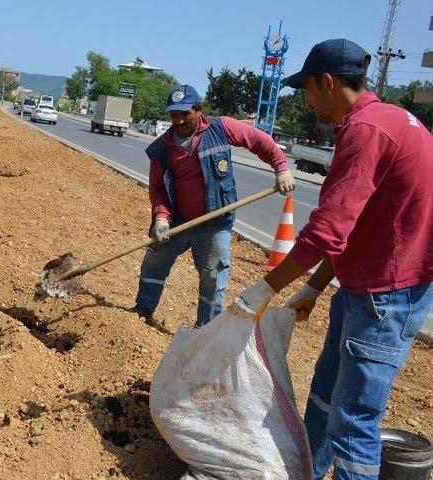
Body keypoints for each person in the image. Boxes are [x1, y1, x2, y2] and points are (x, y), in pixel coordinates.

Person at [233, 39, 433, 480]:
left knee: (354, 422)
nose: (304, 100)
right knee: (325, 396)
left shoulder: (367, 131)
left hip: (386, 296)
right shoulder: (393, 120)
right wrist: (314, 286)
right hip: (366, 286)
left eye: (305, 88)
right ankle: (307, 472)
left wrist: (263, 291)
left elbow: (325, 230)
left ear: (327, 82)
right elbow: (354, 229)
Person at [134, 84, 295, 328]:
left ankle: (204, 330)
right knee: (154, 262)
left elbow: (258, 140)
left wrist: (281, 168)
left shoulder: (221, 128)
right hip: (177, 220)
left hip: (215, 223)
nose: (178, 121)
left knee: (213, 276)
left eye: (183, 113)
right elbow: (158, 190)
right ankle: (142, 312)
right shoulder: (161, 149)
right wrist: (161, 219)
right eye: (173, 115)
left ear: (198, 110)